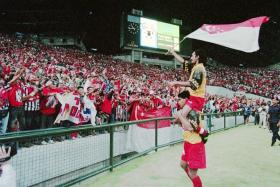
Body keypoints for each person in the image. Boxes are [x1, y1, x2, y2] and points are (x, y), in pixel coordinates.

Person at [175, 91, 207, 187]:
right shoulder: (185, 111)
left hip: (195, 144)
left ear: (186, 100)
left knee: (193, 173)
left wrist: (180, 115)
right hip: (188, 142)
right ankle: (195, 184)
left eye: (179, 99)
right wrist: (178, 118)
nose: (178, 102)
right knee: (183, 165)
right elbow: (180, 123)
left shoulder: (193, 111)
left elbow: (190, 127)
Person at [168, 48, 207, 125]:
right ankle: (201, 131)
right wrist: (173, 52)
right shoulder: (195, 67)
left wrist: (176, 82)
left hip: (196, 99)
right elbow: (184, 62)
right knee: (182, 118)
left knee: (184, 119)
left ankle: (202, 132)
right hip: (193, 97)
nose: (191, 57)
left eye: (192, 55)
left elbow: (193, 84)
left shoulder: (199, 69)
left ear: (197, 57)